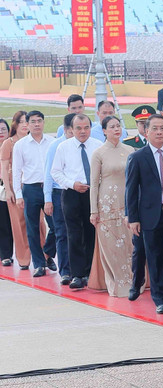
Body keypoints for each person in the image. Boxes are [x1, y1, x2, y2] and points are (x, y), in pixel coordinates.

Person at [125, 114, 163, 314]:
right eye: (155, 129)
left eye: (162, 128)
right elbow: (131, 190)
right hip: (150, 215)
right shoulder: (138, 157)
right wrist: (133, 218)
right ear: (146, 131)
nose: (159, 132)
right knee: (155, 256)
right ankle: (160, 298)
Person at [51, 114, 103, 290]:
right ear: (71, 129)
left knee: (91, 233)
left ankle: (90, 272)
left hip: (92, 194)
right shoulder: (63, 147)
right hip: (71, 193)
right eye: (79, 128)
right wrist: (72, 184)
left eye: (86, 127)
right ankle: (77, 274)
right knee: (73, 234)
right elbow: (56, 172)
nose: (83, 131)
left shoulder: (98, 146)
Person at [87, 116, 135, 297]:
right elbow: (94, 182)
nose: (116, 129)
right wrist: (94, 211)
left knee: (129, 244)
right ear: (104, 131)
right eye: (112, 126)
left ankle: (133, 281)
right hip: (107, 205)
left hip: (127, 203)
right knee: (112, 246)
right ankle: (117, 283)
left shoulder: (130, 150)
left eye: (118, 125)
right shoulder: (99, 153)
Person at [11, 110, 57, 277]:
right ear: (27, 124)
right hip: (30, 188)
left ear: (44, 123)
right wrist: (18, 194)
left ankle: (48, 253)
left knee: (56, 225)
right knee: (32, 228)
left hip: (50, 187)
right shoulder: (21, 145)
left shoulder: (53, 142)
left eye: (39, 121)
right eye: (33, 121)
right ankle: (39, 264)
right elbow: (16, 171)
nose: (37, 124)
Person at [123, 105, 154, 299]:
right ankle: (137, 282)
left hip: (158, 203)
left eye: (147, 123)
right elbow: (130, 185)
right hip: (140, 204)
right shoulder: (129, 144)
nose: (144, 127)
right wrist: (130, 212)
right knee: (139, 248)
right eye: (141, 124)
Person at [43, 114, 75, 284]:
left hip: (77, 193)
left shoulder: (82, 144)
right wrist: (47, 199)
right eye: (73, 130)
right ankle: (65, 272)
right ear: (66, 129)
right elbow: (49, 173)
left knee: (78, 232)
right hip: (58, 193)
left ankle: (79, 269)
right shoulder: (56, 145)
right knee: (62, 233)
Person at [1, 111, 31, 270]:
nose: (25, 125)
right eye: (22, 122)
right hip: (14, 186)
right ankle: (23, 258)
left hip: (32, 186)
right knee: (18, 225)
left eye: (28, 122)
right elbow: (4, 169)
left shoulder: (32, 141)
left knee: (38, 224)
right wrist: (8, 190)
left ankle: (44, 256)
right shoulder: (9, 143)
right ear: (15, 124)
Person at [0, 118, 14, 267]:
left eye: (3, 129)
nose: (0, 132)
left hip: (12, 187)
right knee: (3, 223)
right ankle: (5, 254)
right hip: (1, 189)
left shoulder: (12, 146)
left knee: (13, 224)